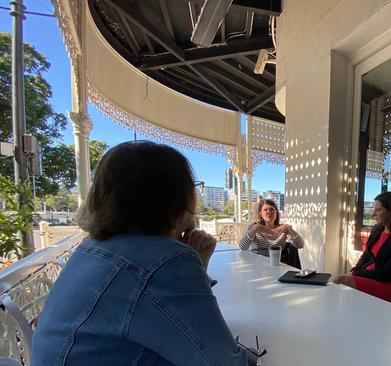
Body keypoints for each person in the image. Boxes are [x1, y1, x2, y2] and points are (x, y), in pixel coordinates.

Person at [31, 141, 254, 366]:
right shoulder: (163, 260)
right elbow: (225, 362)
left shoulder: (92, 247)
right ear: (174, 197)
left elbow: (173, 321)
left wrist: (198, 263)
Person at [331, 191, 391, 305]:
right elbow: (366, 256)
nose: (374, 214)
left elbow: (389, 272)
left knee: (338, 280)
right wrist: (355, 270)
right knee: (339, 283)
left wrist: (358, 274)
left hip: (390, 284)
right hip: (370, 277)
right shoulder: (377, 229)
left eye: (378, 210)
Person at [239, 199, 304, 257]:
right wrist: (255, 229)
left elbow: (300, 245)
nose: (269, 212)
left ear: (276, 213)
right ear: (260, 214)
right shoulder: (254, 227)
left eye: (271, 209)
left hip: (276, 264)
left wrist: (289, 229)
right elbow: (242, 247)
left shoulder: (284, 228)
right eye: (265, 210)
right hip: (257, 264)